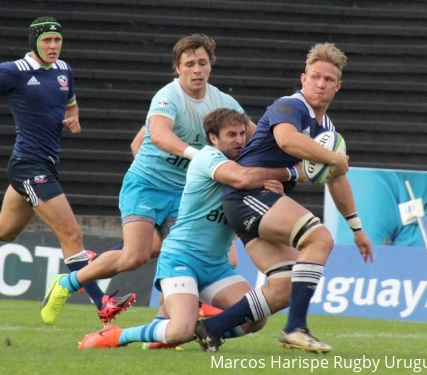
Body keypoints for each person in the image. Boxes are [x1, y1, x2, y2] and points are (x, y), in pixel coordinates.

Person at [0, 17, 134, 324]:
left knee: (4, 230)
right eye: (47, 41)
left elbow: (71, 106)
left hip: (45, 165)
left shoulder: (63, 71)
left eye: (57, 40)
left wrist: (74, 120)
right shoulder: (12, 71)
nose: (53, 46)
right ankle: (102, 302)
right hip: (28, 166)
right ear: (34, 43)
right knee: (71, 233)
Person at [41, 33, 257, 325]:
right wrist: (197, 157)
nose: (196, 69)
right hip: (146, 186)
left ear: (210, 66)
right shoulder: (168, 97)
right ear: (177, 68)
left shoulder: (223, 102)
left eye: (202, 63)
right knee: (135, 256)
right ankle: (66, 283)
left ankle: (162, 326)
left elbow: (255, 140)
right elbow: (157, 135)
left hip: (184, 195)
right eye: (189, 63)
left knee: (185, 260)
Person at [77, 109, 298, 349]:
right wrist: (292, 172)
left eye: (242, 134)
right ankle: (116, 335)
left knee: (255, 319)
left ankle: (190, 333)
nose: (239, 140)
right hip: (181, 259)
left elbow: (256, 198)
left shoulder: (246, 166)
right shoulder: (208, 157)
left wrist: (275, 191)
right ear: (213, 138)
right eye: (231, 134)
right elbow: (241, 179)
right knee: (179, 329)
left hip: (215, 266)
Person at [219, 43, 373, 353]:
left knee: (285, 287)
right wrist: (334, 158)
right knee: (319, 238)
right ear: (303, 79)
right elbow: (287, 140)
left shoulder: (326, 128)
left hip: (260, 202)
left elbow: (337, 178)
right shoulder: (290, 105)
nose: (320, 84)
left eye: (328, 79)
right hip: (247, 195)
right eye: (315, 76)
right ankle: (296, 328)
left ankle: (208, 329)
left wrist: (357, 228)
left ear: (337, 86)